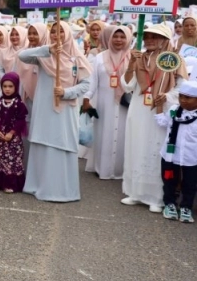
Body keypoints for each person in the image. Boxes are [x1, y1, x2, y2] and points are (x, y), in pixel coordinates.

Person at [19, 21, 92, 202]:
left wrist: (67, 93)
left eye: (61, 32)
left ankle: (61, 190)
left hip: (65, 110)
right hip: (44, 109)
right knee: (43, 142)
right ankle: (38, 186)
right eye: (53, 32)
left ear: (68, 34)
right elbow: (22, 55)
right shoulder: (44, 55)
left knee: (61, 143)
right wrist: (48, 50)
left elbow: (86, 84)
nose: (56, 35)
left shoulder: (77, 58)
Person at [121, 23, 186, 213]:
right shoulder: (139, 58)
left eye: (154, 37)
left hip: (161, 110)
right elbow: (127, 86)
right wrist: (132, 65)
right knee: (136, 145)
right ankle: (135, 192)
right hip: (139, 107)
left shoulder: (175, 59)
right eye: (147, 36)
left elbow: (182, 86)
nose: (149, 40)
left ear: (165, 40)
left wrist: (166, 96)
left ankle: (157, 196)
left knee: (156, 148)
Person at [82, 25, 131, 180]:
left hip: (126, 104)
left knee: (124, 134)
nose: (118, 40)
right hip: (104, 103)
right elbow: (92, 81)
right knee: (104, 133)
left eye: (123, 37)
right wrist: (86, 98)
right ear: (110, 38)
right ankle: (103, 168)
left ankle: (121, 171)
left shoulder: (134, 57)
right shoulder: (100, 57)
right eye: (115, 37)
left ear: (128, 38)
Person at [156, 80, 197, 223]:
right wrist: (159, 106)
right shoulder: (174, 110)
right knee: (169, 181)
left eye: (188, 98)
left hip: (192, 157)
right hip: (170, 155)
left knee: (190, 184)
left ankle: (186, 207)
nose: (183, 101)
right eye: (181, 97)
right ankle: (170, 204)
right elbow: (162, 122)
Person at [0, 72, 28, 193]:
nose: (7, 89)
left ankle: (11, 184)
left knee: (12, 160)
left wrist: (12, 132)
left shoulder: (19, 104)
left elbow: (21, 120)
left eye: (10, 86)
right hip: (2, 136)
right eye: (4, 86)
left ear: (16, 87)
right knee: (0, 158)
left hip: (13, 137)